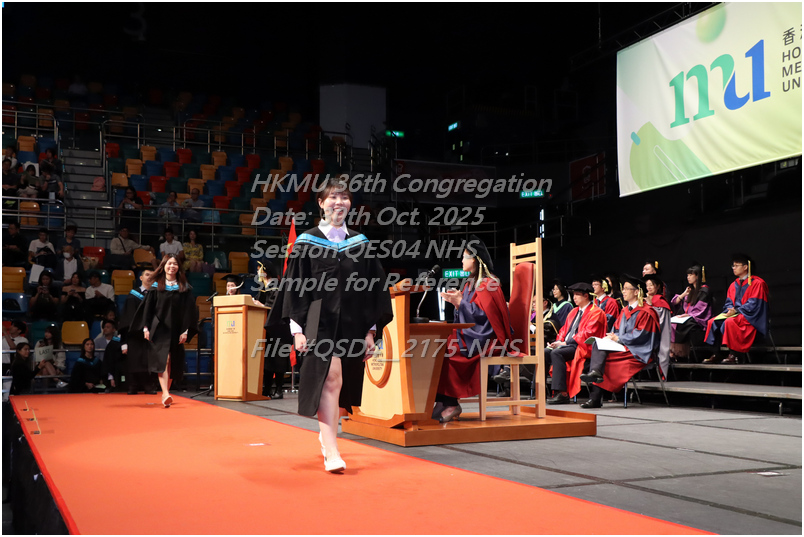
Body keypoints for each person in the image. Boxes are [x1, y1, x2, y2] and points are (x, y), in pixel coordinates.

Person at [267, 177, 392, 473]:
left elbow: (373, 289)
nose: (339, 202)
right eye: (333, 197)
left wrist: (371, 331)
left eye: (344, 197)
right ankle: (332, 450)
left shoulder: (360, 243)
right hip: (317, 321)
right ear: (321, 203)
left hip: (351, 322)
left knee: (340, 383)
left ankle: (327, 438)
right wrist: (297, 330)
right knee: (331, 377)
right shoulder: (307, 241)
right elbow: (295, 287)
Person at [435, 234, 514, 423]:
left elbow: (486, 319)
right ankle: (443, 400)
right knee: (436, 345)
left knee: (447, 350)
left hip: (488, 338)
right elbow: (472, 312)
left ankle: (451, 403)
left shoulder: (488, 284)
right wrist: (458, 302)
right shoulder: (471, 283)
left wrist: (461, 303)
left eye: (465, 257)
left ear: (476, 259)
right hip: (473, 334)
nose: (462, 260)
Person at [579, 274, 661, 409]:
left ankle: (595, 395)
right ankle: (595, 376)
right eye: (623, 289)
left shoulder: (647, 311)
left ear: (637, 292)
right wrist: (612, 337)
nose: (623, 291)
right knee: (598, 344)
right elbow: (616, 329)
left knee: (605, 361)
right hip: (624, 347)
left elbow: (641, 336)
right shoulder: (624, 311)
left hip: (639, 350)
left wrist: (619, 339)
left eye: (627, 289)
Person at [132, 254, 198, 408]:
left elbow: (189, 311)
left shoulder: (184, 288)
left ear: (178, 267)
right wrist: (146, 327)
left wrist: (186, 330)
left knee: (172, 362)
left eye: (175, 264)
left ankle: (165, 394)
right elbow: (148, 309)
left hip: (177, 329)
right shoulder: (156, 287)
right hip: (160, 329)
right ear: (163, 266)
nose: (172, 266)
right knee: (164, 360)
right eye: (169, 263)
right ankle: (166, 393)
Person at [544, 283, 607, 404]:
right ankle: (540, 390)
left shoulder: (596, 312)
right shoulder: (573, 311)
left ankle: (562, 393)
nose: (574, 297)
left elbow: (588, 334)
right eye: (573, 295)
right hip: (567, 345)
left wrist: (564, 343)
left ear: (586, 296)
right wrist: (558, 341)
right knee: (545, 352)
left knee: (557, 353)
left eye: (577, 295)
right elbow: (563, 330)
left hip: (582, 346)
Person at [704, 254, 769, 364]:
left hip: (751, 317)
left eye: (736, 265)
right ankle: (717, 353)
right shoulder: (733, 285)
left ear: (745, 267)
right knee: (713, 321)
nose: (733, 268)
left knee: (729, 322)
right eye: (733, 266)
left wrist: (737, 311)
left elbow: (754, 304)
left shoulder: (757, 283)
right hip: (736, 314)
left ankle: (734, 355)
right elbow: (729, 303)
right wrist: (730, 310)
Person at [118, 265, 157, 395]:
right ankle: (133, 385)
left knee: (149, 361)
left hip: (151, 334)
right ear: (141, 278)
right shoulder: (133, 295)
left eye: (152, 275)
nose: (149, 277)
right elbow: (126, 319)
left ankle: (149, 386)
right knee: (134, 360)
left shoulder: (157, 295)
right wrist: (124, 342)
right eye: (147, 275)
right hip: (134, 335)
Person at [257, 262, 291, 399]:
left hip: (278, 328)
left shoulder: (276, 286)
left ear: (266, 271)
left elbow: (275, 307)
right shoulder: (264, 287)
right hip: (268, 329)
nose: (258, 272)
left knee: (278, 360)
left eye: (259, 269)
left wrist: (261, 305)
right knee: (268, 361)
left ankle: (278, 390)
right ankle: (266, 389)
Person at [670, 264, 713, 362]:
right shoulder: (690, 290)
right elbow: (674, 303)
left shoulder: (704, 290)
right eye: (687, 275)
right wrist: (684, 294)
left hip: (699, 319)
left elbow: (701, 309)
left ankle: (679, 353)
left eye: (691, 275)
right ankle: (674, 352)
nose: (688, 277)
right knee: (672, 323)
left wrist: (690, 315)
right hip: (689, 317)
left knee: (681, 325)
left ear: (697, 276)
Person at [644, 275, 672, 381]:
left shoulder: (660, 301)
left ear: (657, 287)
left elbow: (659, 320)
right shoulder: (643, 299)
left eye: (651, 285)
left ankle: (660, 372)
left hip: (658, 332)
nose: (649, 287)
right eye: (647, 285)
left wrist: (650, 304)